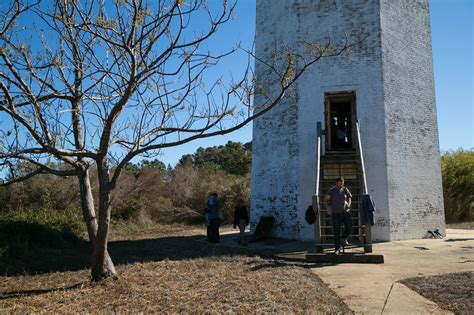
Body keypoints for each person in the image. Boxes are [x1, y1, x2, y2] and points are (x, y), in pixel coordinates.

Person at [325, 177, 352, 255]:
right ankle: (337, 249)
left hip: (345, 212)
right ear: (336, 183)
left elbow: (349, 198)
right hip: (336, 214)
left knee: (349, 227)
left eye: (342, 182)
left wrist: (349, 205)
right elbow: (326, 199)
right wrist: (328, 207)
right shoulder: (332, 190)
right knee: (336, 232)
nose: (341, 184)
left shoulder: (345, 190)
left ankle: (343, 237)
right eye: (340, 182)